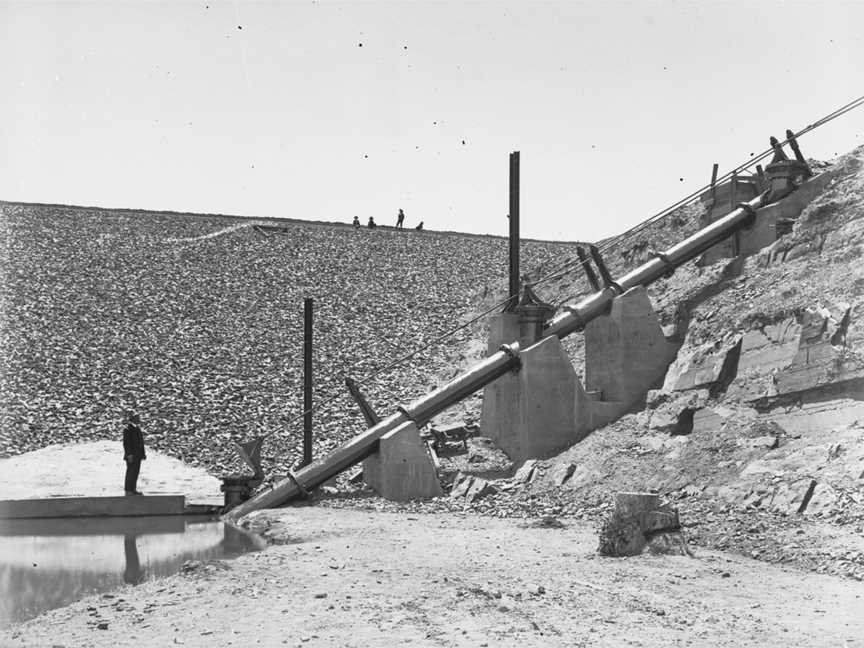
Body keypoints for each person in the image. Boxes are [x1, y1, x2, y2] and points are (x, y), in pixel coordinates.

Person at [123, 411, 146, 495]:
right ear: (133, 419)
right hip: (132, 456)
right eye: (137, 418)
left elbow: (141, 443)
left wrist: (143, 454)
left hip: (138, 455)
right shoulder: (128, 429)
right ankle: (128, 490)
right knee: (130, 472)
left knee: (135, 472)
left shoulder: (137, 429)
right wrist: (129, 454)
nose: (139, 420)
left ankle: (133, 489)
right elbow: (126, 443)